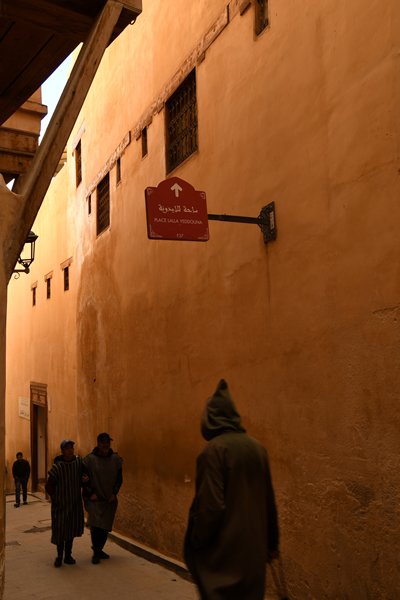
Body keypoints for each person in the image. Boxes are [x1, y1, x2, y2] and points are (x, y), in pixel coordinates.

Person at [184, 379, 280, 600]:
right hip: (253, 554)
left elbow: (211, 506)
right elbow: (269, 501)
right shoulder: (257, 449)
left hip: (225, 555)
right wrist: (272, 543)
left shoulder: (214, 451)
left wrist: (196, 542)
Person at [83, 432, 123, 564]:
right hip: (94, 499)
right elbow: (83, 478)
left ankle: (99, 549)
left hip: (109, 499)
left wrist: (114, 493)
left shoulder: (116, 460)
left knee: (105, 526)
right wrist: (90, 493)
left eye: (108, 442)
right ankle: (96, 552)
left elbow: (119, 479)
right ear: (98, 443)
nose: (106, 444)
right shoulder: (89, 460)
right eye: (103, 442)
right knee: (96, 526)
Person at [45, 440, 85, 567]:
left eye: (71, 448)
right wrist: (56, 498)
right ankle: (59, 556)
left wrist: (85, 479)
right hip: (61, 505)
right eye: (67, 448)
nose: (70, 450)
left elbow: (84, 475)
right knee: (60, 531)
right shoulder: (57, 467)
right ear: (62, 451)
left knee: (71, 530)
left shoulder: (78, 463)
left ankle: (68, 555)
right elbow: (49, 486)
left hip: (74, 504)